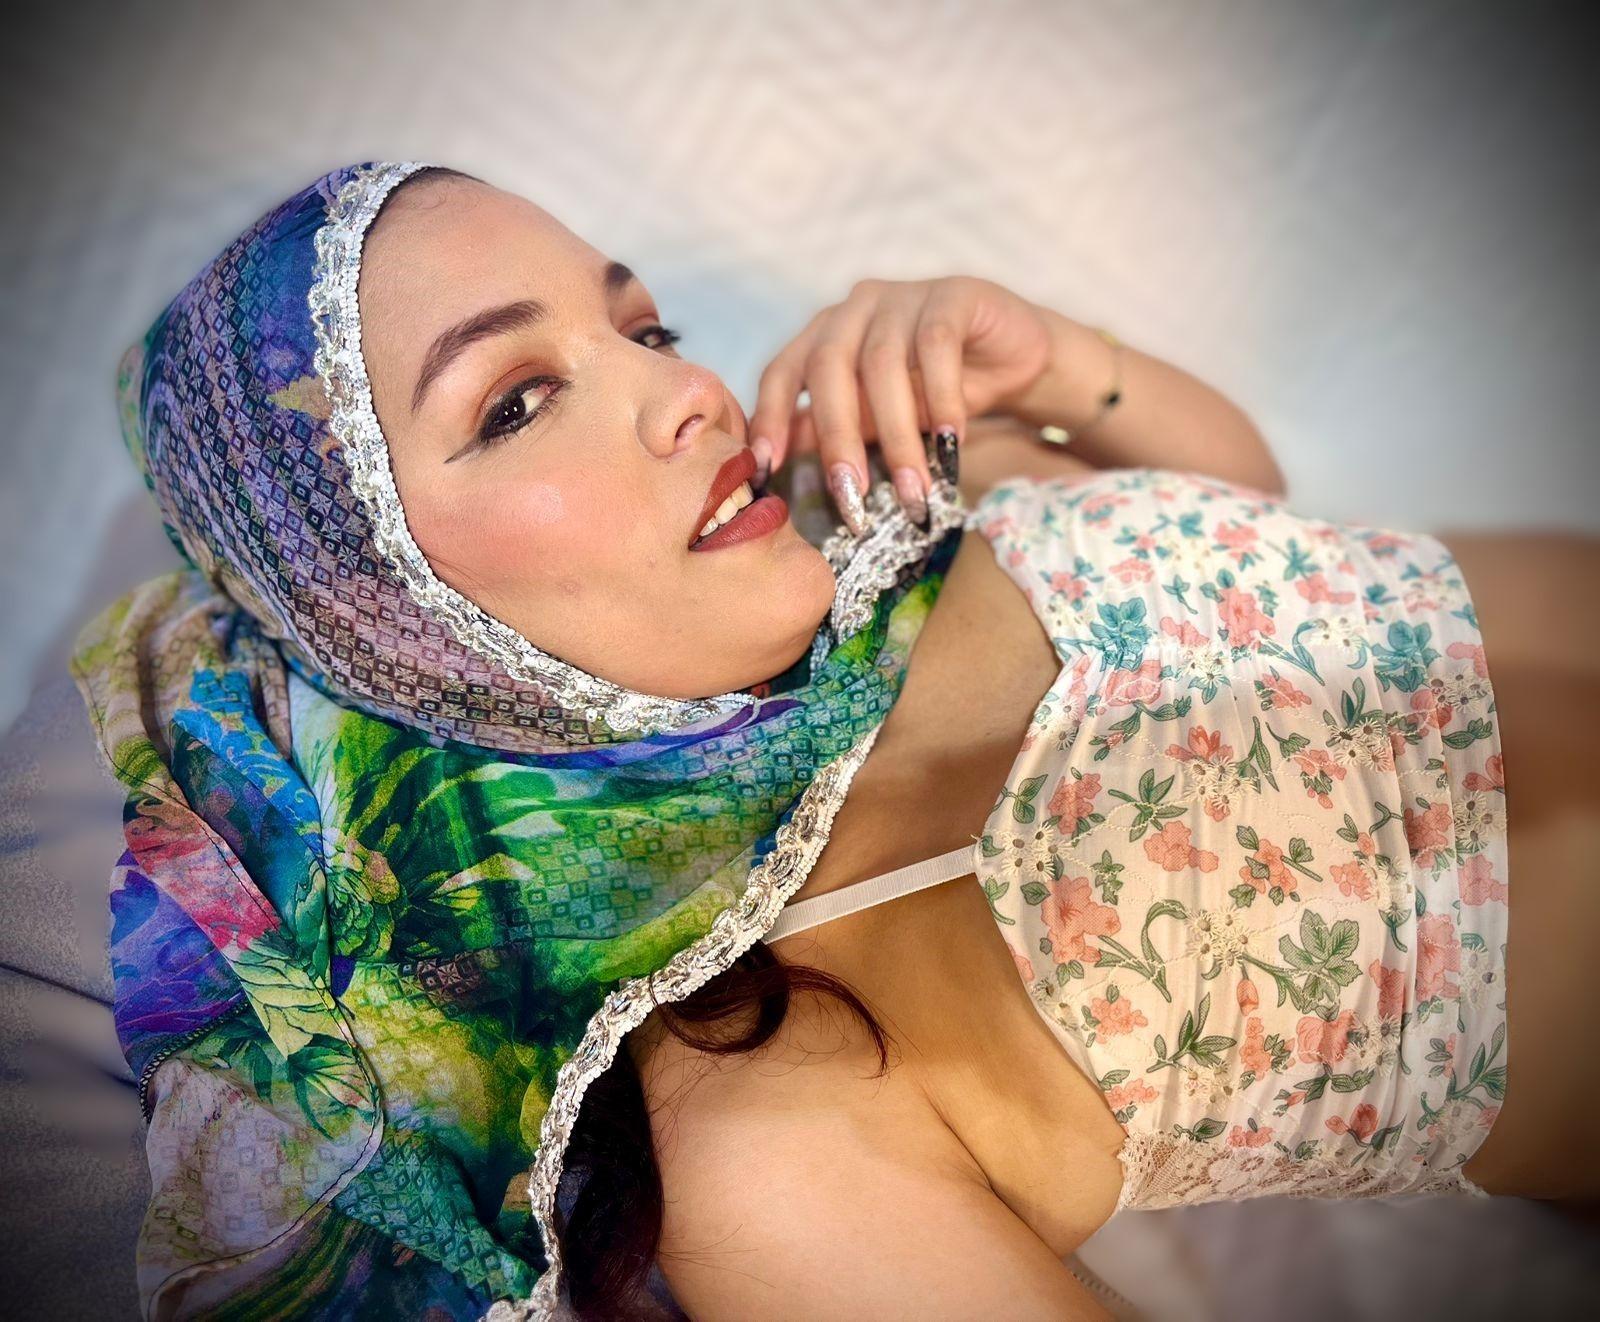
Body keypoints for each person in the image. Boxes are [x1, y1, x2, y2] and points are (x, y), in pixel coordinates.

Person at [70, 160, 1596, 1322]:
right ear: (388, 625)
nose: (685, 391)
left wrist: (1054, 361)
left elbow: (1253, 517)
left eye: (644, 325)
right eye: (519, 400)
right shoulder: (761, 1109)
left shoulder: (869, 503)